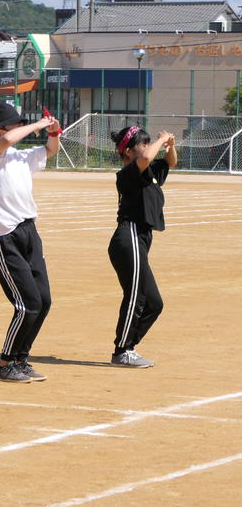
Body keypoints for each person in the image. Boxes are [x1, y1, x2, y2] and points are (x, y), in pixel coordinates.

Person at [0, 102, 61, 383]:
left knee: (44, 301)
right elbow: (4, 141)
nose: (19, 126)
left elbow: (50, 150)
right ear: (0, 127)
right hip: (5, 237)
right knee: (27, 304)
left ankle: (20, 359)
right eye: (15, 123)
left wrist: (53, 132)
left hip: (29, 232)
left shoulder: (20, 156)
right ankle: (3, 363)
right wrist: (38, 125)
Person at [108, 126, 177, 367]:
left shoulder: (150, 172)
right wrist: (159, 140)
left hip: (142, 238)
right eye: (142, 143)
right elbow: (147, 157)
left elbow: (171, 162)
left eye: (148, 142)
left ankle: (129, 346)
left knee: (154, 303)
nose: (147, 146)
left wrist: (170, 145)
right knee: (136, 296)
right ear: (127, 152)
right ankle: (122, 350)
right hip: (129, 236)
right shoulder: (127, 173)